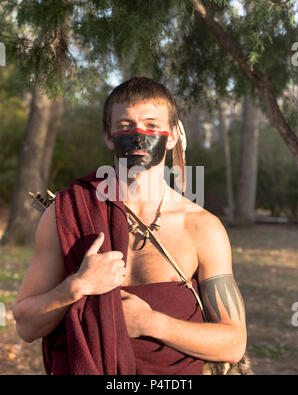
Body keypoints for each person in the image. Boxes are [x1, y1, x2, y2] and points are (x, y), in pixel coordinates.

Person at [13, 77, 247, 375]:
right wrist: (78, 285)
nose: (138, 136)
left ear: (173, 136)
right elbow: (26, 325)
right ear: (108, 137)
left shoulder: (202, 228)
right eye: (125, 126)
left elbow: (233, 343)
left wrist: (149, 322)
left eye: (151, 125)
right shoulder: (68, 213)